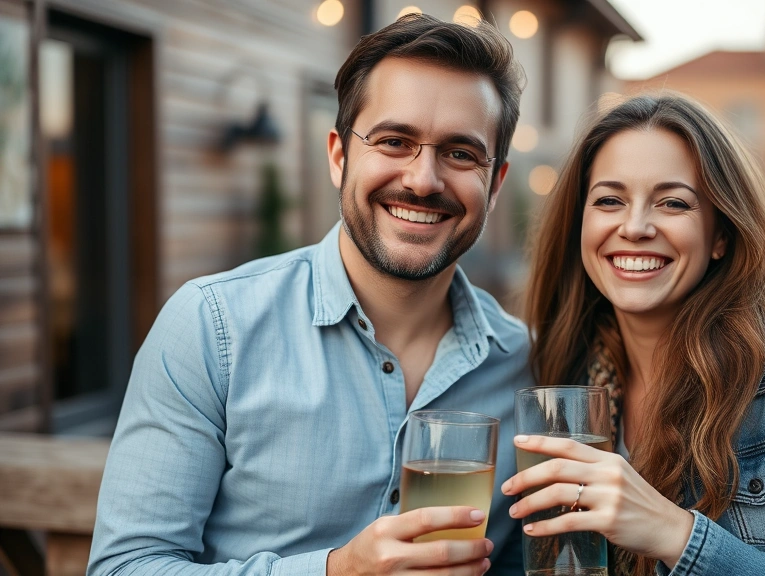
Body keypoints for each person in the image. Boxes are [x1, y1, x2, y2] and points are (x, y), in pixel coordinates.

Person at [88, 14, 530, 576]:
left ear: (494, 185)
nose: (423, 180)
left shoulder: (524, 363)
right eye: (394, 141)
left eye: (461, 153)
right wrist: (335, 571)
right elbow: (123, 568)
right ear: (339, 155)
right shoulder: (211, 327)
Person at [505, 94, 765, 575]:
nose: (634, 227)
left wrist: (675, 534)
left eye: (673, 202)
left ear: (720, 235)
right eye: (610, 200)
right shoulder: (558, 369)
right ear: (580, 225)